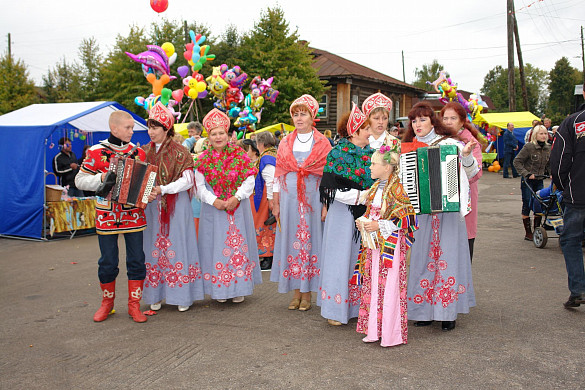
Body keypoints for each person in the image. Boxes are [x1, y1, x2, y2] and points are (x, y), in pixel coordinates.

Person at [403, 102, 479, 332]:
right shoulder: (408, 149)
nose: (418, 125)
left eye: (423, 119)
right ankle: (423, 311)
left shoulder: (451, 145)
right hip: (422, 214)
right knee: (423, 259)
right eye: (414, 121)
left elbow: (472, 173)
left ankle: (447, 312)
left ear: (432, 121)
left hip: (448, 213)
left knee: (447, 258)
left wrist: (466, 156)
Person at [75, 111, 149, 323]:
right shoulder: (96, 152)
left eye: (132, 128)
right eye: (128, 128)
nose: (131, 132)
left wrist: (148, 191)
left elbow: (145, 182)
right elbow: (79, 180)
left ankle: (134, 306)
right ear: (114, 128)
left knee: (137, 261)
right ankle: (107, 304)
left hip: (134, 215)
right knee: (107, 262)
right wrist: (101, 178)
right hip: (106, 216)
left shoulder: (138, 153)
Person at [270, 94, 332, 311]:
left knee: (311, 241)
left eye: (303, 113)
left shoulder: (323, 143)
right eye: (295, 114)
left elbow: (328, 178)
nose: (298, 118)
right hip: (289, 200)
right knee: (292, 241)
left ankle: (308, 295)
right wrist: (275, 202)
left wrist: (326, 204)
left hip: (313, 200)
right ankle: (296, 292)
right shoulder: (285, 142)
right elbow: (278, 175)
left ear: (312, 115)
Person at [194, 108, 262, 303]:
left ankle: (238, 287)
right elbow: (198, 186)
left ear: (228, 134)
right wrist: (214, 200)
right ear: (209, 136)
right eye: (214, 134)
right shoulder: (203, 160)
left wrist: (237, 197)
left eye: (221, 133)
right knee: (216, 247)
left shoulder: (240, 156)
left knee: (237, 247)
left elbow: (249, 179)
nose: (218, 137)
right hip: (213, 211)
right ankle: (219, 289)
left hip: (237, 209)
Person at [142, 102, 204, 313]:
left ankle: (182, 295)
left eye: (155, 127)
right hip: (152, 208)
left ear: (166, 128)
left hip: (176, 206)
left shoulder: (180, 152)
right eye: (149, 127)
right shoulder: (143, 152)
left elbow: (188, 180)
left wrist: (163, 189)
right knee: (153, 249)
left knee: (177, 247)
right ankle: (155, 294)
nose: (151, 132)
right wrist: (146, 192)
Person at [317, 103, 374, 326]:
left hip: (365, 216)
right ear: (355, 131)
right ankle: (336, 309)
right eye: (366, 128)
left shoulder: (373, 154)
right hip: (342, 216)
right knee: (340, 259)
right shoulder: (337, 154)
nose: (370, 132)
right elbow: (331, 188)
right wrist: (362, 196)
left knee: (360, 259)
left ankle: (359, 306)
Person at [355, 146, 418, 347]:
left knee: (389, 285)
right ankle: (374, 329)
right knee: (374, 283)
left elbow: (407, 219)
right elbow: (372, 213)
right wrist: (364, 221)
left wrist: (379, 225)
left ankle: (391, 333)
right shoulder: (375, 188)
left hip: (390, 245)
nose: (370, 167)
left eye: (374, 163)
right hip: (374, 245)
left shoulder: (397, 189)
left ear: (387, 168)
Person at [550, 85, 585, 308]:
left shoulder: (572, 122)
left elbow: (560, 161)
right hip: (576, 193)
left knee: (571, 240)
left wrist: (564, 188)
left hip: (578, 195)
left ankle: (578, 289)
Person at [441, 102, 483, 261]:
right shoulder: (439, 139)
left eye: (453, 118)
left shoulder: (470, 142)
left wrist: (466, 157)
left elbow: (476, 174)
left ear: (462, 120)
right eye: (445, 118)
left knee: (462, 253)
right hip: (442, 204)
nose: (448, 122)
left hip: (464, 202)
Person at [513, 125, 551, 241]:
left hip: (539, 180)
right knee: (527, 204)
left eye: (545, 133)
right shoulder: (529, 147)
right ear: (535, 135)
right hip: (528, 181)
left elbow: (549, 163)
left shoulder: (548, 148)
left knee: (539, 203)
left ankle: (537, 230)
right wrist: (527, 173)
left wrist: (551, 172)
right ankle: (528, 232)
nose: (543, 136)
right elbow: (517, 162)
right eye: (541, 134)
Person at [251, 131, 278, 270]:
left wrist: (271, 200)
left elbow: (271, 179)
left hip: (266, 198)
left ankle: (268, 257)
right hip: (268, 196)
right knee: (269, 228)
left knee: (266, 227)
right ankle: (268, 256)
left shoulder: (266, 158)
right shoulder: (274, 154)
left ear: (260, 144)